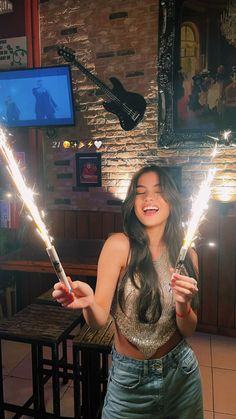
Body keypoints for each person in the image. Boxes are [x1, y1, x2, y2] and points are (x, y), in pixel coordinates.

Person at [53, 165, 203, 419]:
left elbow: (188, 329)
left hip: (182, 375)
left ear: (172, 201)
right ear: (132, 203)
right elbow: (99, 320)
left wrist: (183, 304)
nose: (148, 199)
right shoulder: (119, 246)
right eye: (140, 192)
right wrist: (89, 303)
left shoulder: (189, 255)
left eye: (158, 191)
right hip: (130, 380)